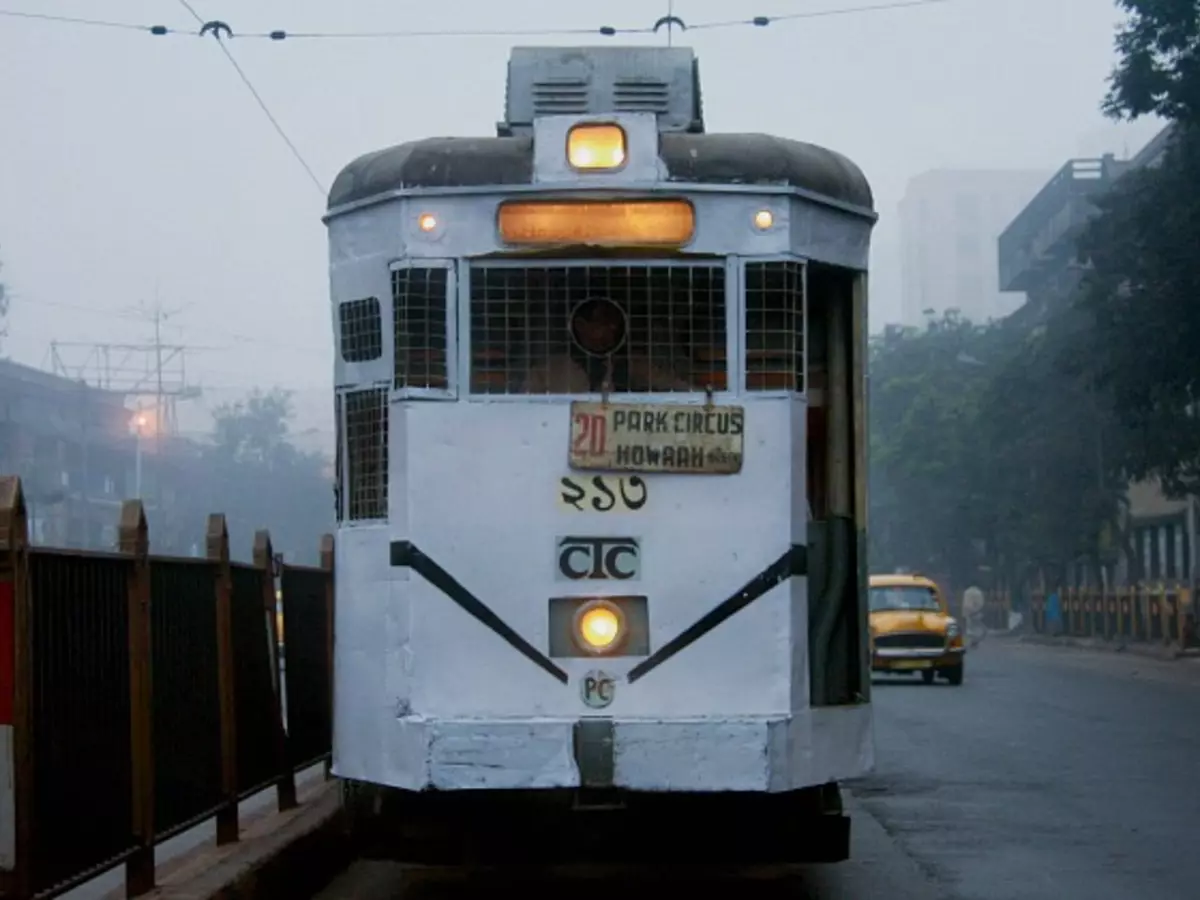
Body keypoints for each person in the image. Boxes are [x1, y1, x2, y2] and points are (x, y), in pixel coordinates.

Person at [522, 298, 693, 393]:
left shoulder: (633, 364)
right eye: (603, 320)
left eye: (614, 321)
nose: (612, 327)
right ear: (581, 326)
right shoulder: (550, 370)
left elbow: (679, 388)